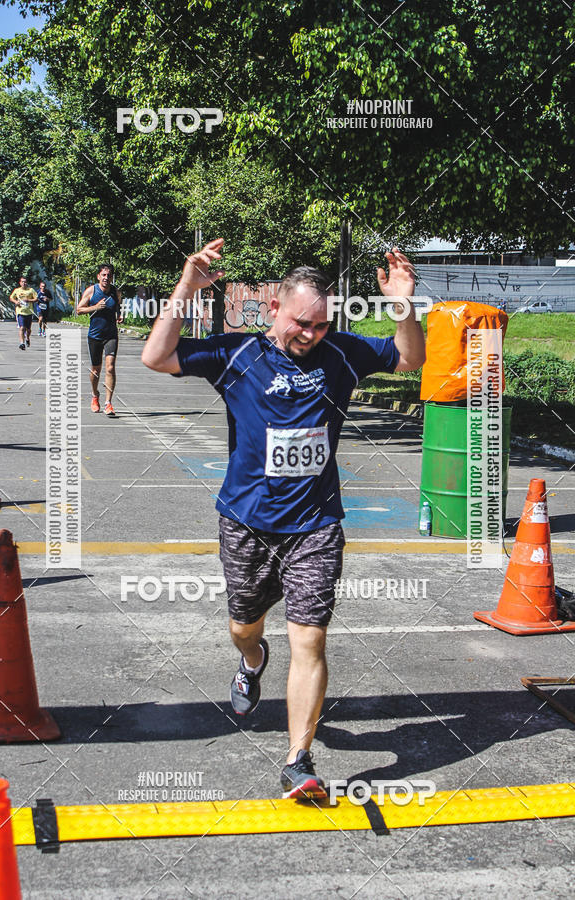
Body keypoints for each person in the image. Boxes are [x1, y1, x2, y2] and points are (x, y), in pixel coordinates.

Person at [141, 238, 426, 799]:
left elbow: (410, 357)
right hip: (247, 522)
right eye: (301, 323)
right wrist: (184, 287)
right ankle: (252, 658)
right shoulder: (238, 355)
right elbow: (156, 357)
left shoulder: (342, 353)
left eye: (320, 325)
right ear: (275, 309)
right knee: (243, 626)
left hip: (316, 526)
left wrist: (402, 306)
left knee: (311, 641)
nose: (310, 334)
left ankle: (299, 759)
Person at [77, 263, 122, 416]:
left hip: (111, 335)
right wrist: (95, 307)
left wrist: (119, 315)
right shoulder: (91, 291)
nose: (106, 278)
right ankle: (95, 395)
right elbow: (79, 310)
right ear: (98, 276)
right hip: (95, 335)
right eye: (103, 275)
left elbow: (117, 307)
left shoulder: (116, 292)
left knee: (110, 367)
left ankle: (108, 403)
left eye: (109, 275)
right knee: (96, 370)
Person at [9, 276, 37, 350]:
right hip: (20, 312)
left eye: (25, 282)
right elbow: (11, 298)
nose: (24, 283)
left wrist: (28, 300)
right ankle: (22, 343)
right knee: (22, 328)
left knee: (28, 329)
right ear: (20, 283)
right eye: (22, 282)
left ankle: (27, 337)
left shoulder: (31, 290)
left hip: (29, 312)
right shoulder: (17, 290)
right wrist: (16, 302)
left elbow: (36, 299)